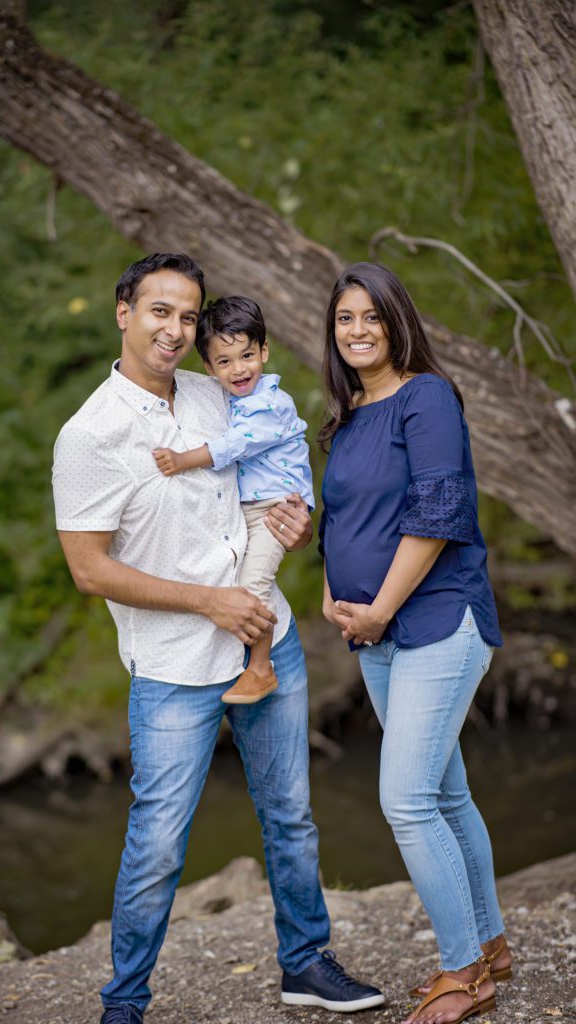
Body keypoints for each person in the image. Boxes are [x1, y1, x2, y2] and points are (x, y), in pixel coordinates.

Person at [52, 252, 385, 1024]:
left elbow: (268, 490)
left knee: (291, 816)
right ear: (123, 312)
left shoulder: (217, 394)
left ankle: (305, 964)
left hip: (264, 640)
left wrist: (294, 524)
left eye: (188, 316)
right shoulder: (91, 435)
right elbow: (89, 570)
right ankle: (125, 1005)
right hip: (173, 667)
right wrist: (211, 603)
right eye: (159, 310)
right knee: (158, 847)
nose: (175, 329)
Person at [318, 262, 511, 1024]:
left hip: (437, 621)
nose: (358, 330)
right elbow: (348, 520)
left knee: (405, 800)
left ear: (398, 322)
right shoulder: (353, 412)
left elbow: (438, 512)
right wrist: (332, 590)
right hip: (378, 637)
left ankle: (464, 975)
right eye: (344, 319)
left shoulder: (425, 397)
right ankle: (490, 943)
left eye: (372, 315)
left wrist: (377, 608)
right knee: (447, 794)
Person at [152, 294, 314, 704]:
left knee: (254, 585)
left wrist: (183, 460)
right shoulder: (231, 400)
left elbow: (234, 445)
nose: (238, 369)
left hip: (274, 510)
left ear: (264, 351)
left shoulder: (270, 405)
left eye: (247, 356)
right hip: (251, 510)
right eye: (224, 362)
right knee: (239, 577)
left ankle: (261, 669)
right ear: (208, 368)